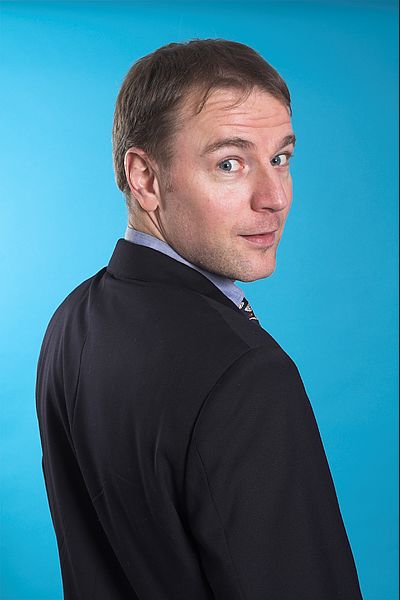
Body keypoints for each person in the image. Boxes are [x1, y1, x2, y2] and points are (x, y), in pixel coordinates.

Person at [36, 39, 362, 599]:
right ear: (144, 178)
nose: (274, 196)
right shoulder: (248, 375)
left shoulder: (71, 322)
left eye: (281, 157)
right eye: (230, 163)